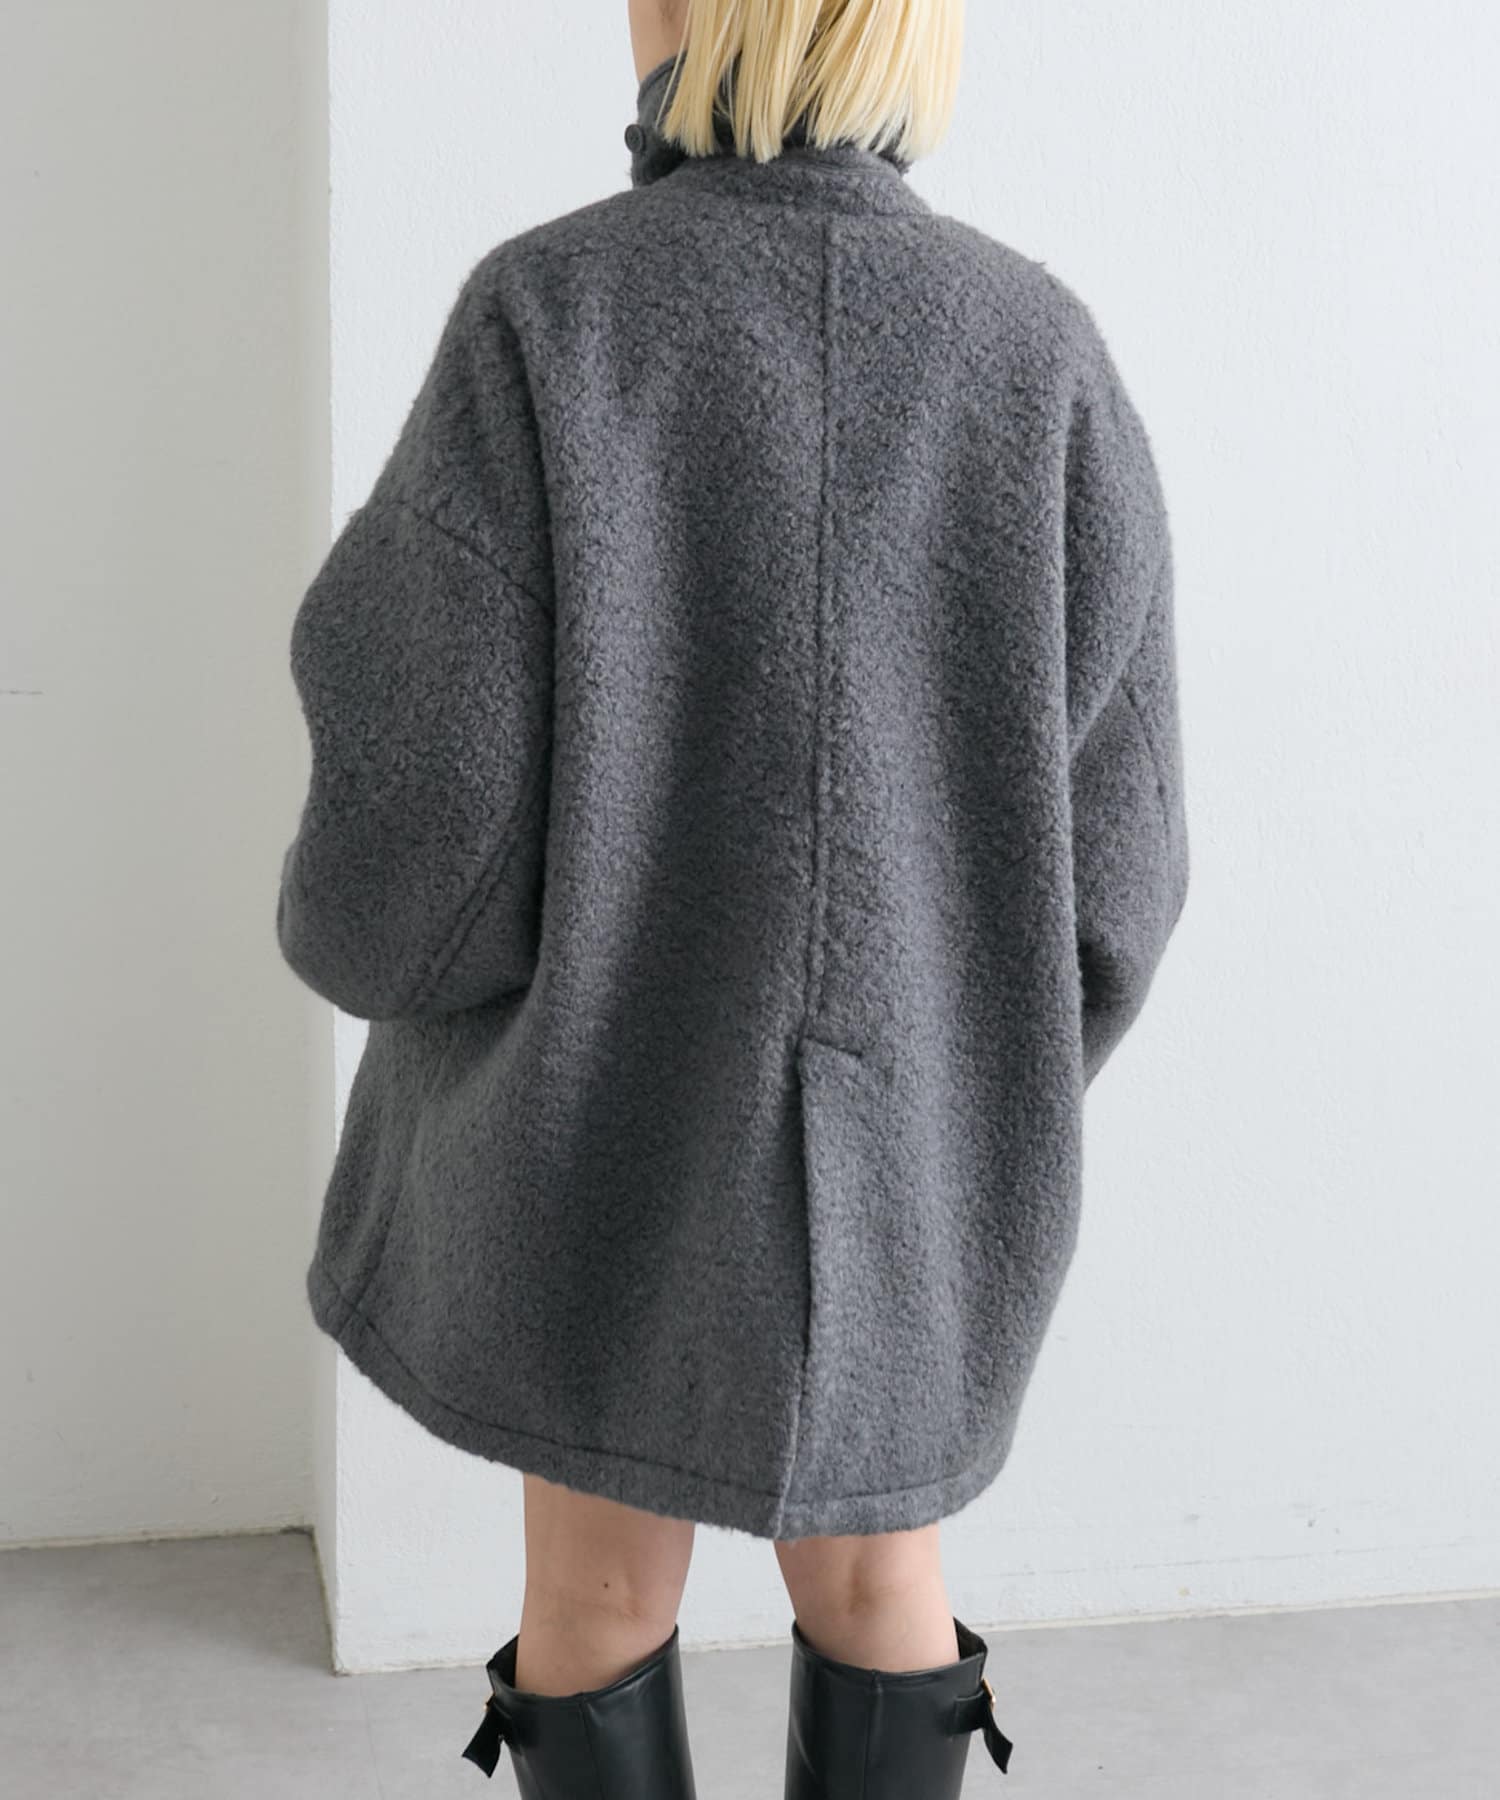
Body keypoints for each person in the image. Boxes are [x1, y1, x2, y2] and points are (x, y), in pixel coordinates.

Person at [274, 1, 1190, 1793]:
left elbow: (418, 811)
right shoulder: (1038, 353)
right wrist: (957, 1076)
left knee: (598, 1590)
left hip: (589, 1125)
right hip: (904, 1148)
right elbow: (1123, 871)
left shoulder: (550, 320)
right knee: (881, 1578)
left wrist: (384, 943)